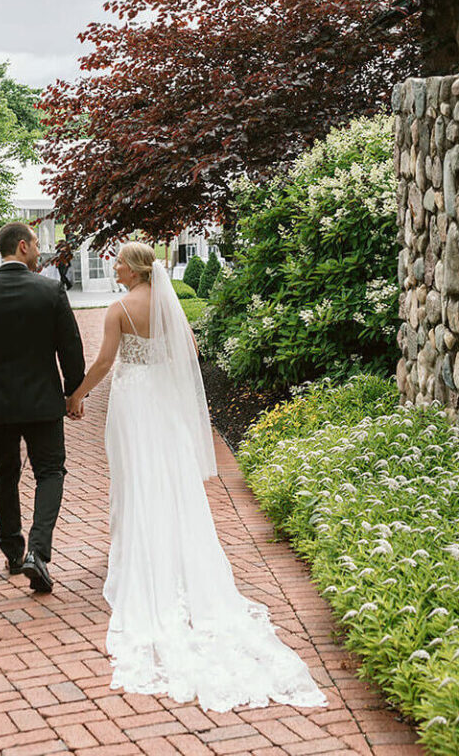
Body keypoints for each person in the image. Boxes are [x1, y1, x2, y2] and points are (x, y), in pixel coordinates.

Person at [66, 242, 327, 712]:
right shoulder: (166, 304)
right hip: (161, 403)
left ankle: (144, 555)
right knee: (168, 478)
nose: (115, 267)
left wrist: (76, 396)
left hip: (132, 402)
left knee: (137, 478)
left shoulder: (119, 308)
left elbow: (105, 362)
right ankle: (176, 551)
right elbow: (189, 350)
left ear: (136, 268)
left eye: (120, 262)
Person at [0, 222, 85, 593]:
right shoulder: (50, 290)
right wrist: (74, 394)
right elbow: (70, 348)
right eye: (37, 245)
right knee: (50, 472)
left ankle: (13, 551)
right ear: (22, 247)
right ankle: (38, 553)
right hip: (43, 402)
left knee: (4, 473)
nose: (40, 251)